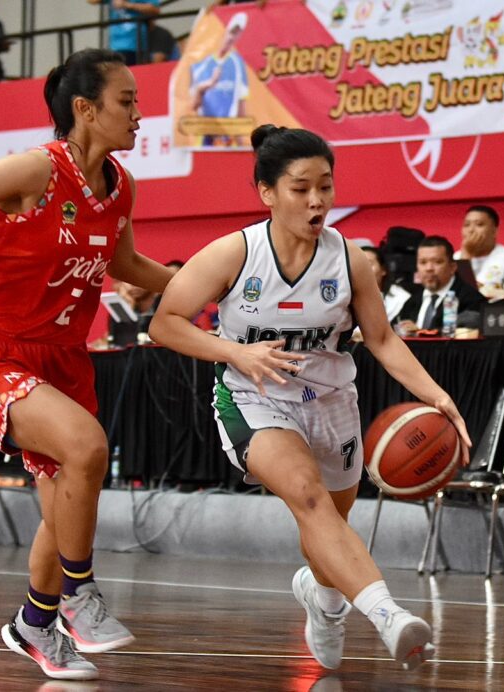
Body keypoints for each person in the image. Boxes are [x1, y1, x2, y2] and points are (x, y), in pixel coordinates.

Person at [149, 125, 471, 672]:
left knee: (328, 526)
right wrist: (236, 352)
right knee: (308, 497)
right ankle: (389, 616)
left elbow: (382, 339)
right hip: (253, 398)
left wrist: (439, 397)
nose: (317, 199)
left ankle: (323, 601)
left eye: (326, 185)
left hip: (331, 403)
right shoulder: (235, 253)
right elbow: (165, 323)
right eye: (301, 188)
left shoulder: (349, 260)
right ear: (267, 192)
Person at [0, 49, 174, 681]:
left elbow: (126, 266)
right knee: (86, 446)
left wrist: (206, 284)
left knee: (65, 507)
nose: (139, 113)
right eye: (127, 101)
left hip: (62, 360)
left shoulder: (120, 184)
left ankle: (34, 622)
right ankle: (79, 591)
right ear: (86, 109)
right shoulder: (38, 170)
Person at [396, 236, 486, 334]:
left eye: (437, 262)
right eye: (423, 262)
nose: (429, 268)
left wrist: (420, 332)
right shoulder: (412, 300)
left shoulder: (471, 299)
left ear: (452, 267)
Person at [189, 12, 250, 146]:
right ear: (223, 31)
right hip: (206, 137)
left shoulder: (237, 64)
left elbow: (241, 107)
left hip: (229, 138)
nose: (232, 37)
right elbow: (193, 105)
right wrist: (208, 85)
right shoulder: (200, 65)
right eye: (231, 31)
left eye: (237, 33)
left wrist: (241, 144)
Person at [454, 205, 504, 293]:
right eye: (466, 225)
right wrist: (465, 255)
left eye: (479, 224)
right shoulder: (456, 257)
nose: (471, 230)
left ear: (494, 231)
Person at [87, 0, 161, 66]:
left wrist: (127, 5)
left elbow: (155, 9)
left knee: (135, 74)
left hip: (135, 45)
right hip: (115, 46)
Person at [354, 238, 409, 322]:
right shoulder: (344, 297)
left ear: (383, 269)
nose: (363, 270)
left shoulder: (401, 298)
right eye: (358, 265)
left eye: (369, 264)